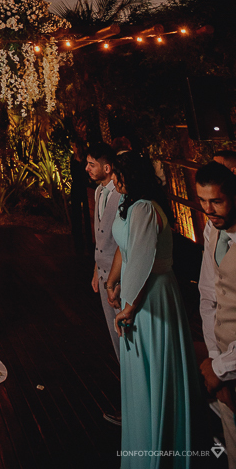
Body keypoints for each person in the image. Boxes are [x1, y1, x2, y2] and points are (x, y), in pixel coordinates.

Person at [106, 151, 200, 466]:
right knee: (140, 372)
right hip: (135, 292)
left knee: (153, 371)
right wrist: (112, 281)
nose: (114, 180)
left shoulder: (145, 208)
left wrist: (129, 307)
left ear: (133, 177)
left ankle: (157, 453)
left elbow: (143, 260)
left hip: (151, 296)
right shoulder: (131, 203)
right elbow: (125, 249)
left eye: (118, 174)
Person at [196, 160, 236, 466]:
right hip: (222, 365)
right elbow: (208, 294)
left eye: (217, 201)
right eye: (202, 201)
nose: (209, 210)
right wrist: (212, 356)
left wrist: (219, 369)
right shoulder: (212, 228)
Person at [85, 143, 121, 365]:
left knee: (124, 330)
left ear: (107, 168)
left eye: (92, 164)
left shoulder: (121, 194)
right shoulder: (99, 192)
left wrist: (114, 280)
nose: (87, 169)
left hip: (119, 276)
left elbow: (121, 241)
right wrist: (96, 269)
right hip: (102, 273)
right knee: (112, 331)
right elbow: (101, 237)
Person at [69, 138, 92, 256]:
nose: (73, 148)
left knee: (87, 214)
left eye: (74, 146)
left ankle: (89, 240)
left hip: (84, 187)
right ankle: (78, 242)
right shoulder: (73, 158)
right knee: (76, 214)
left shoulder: (85, 159)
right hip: (76, 187)